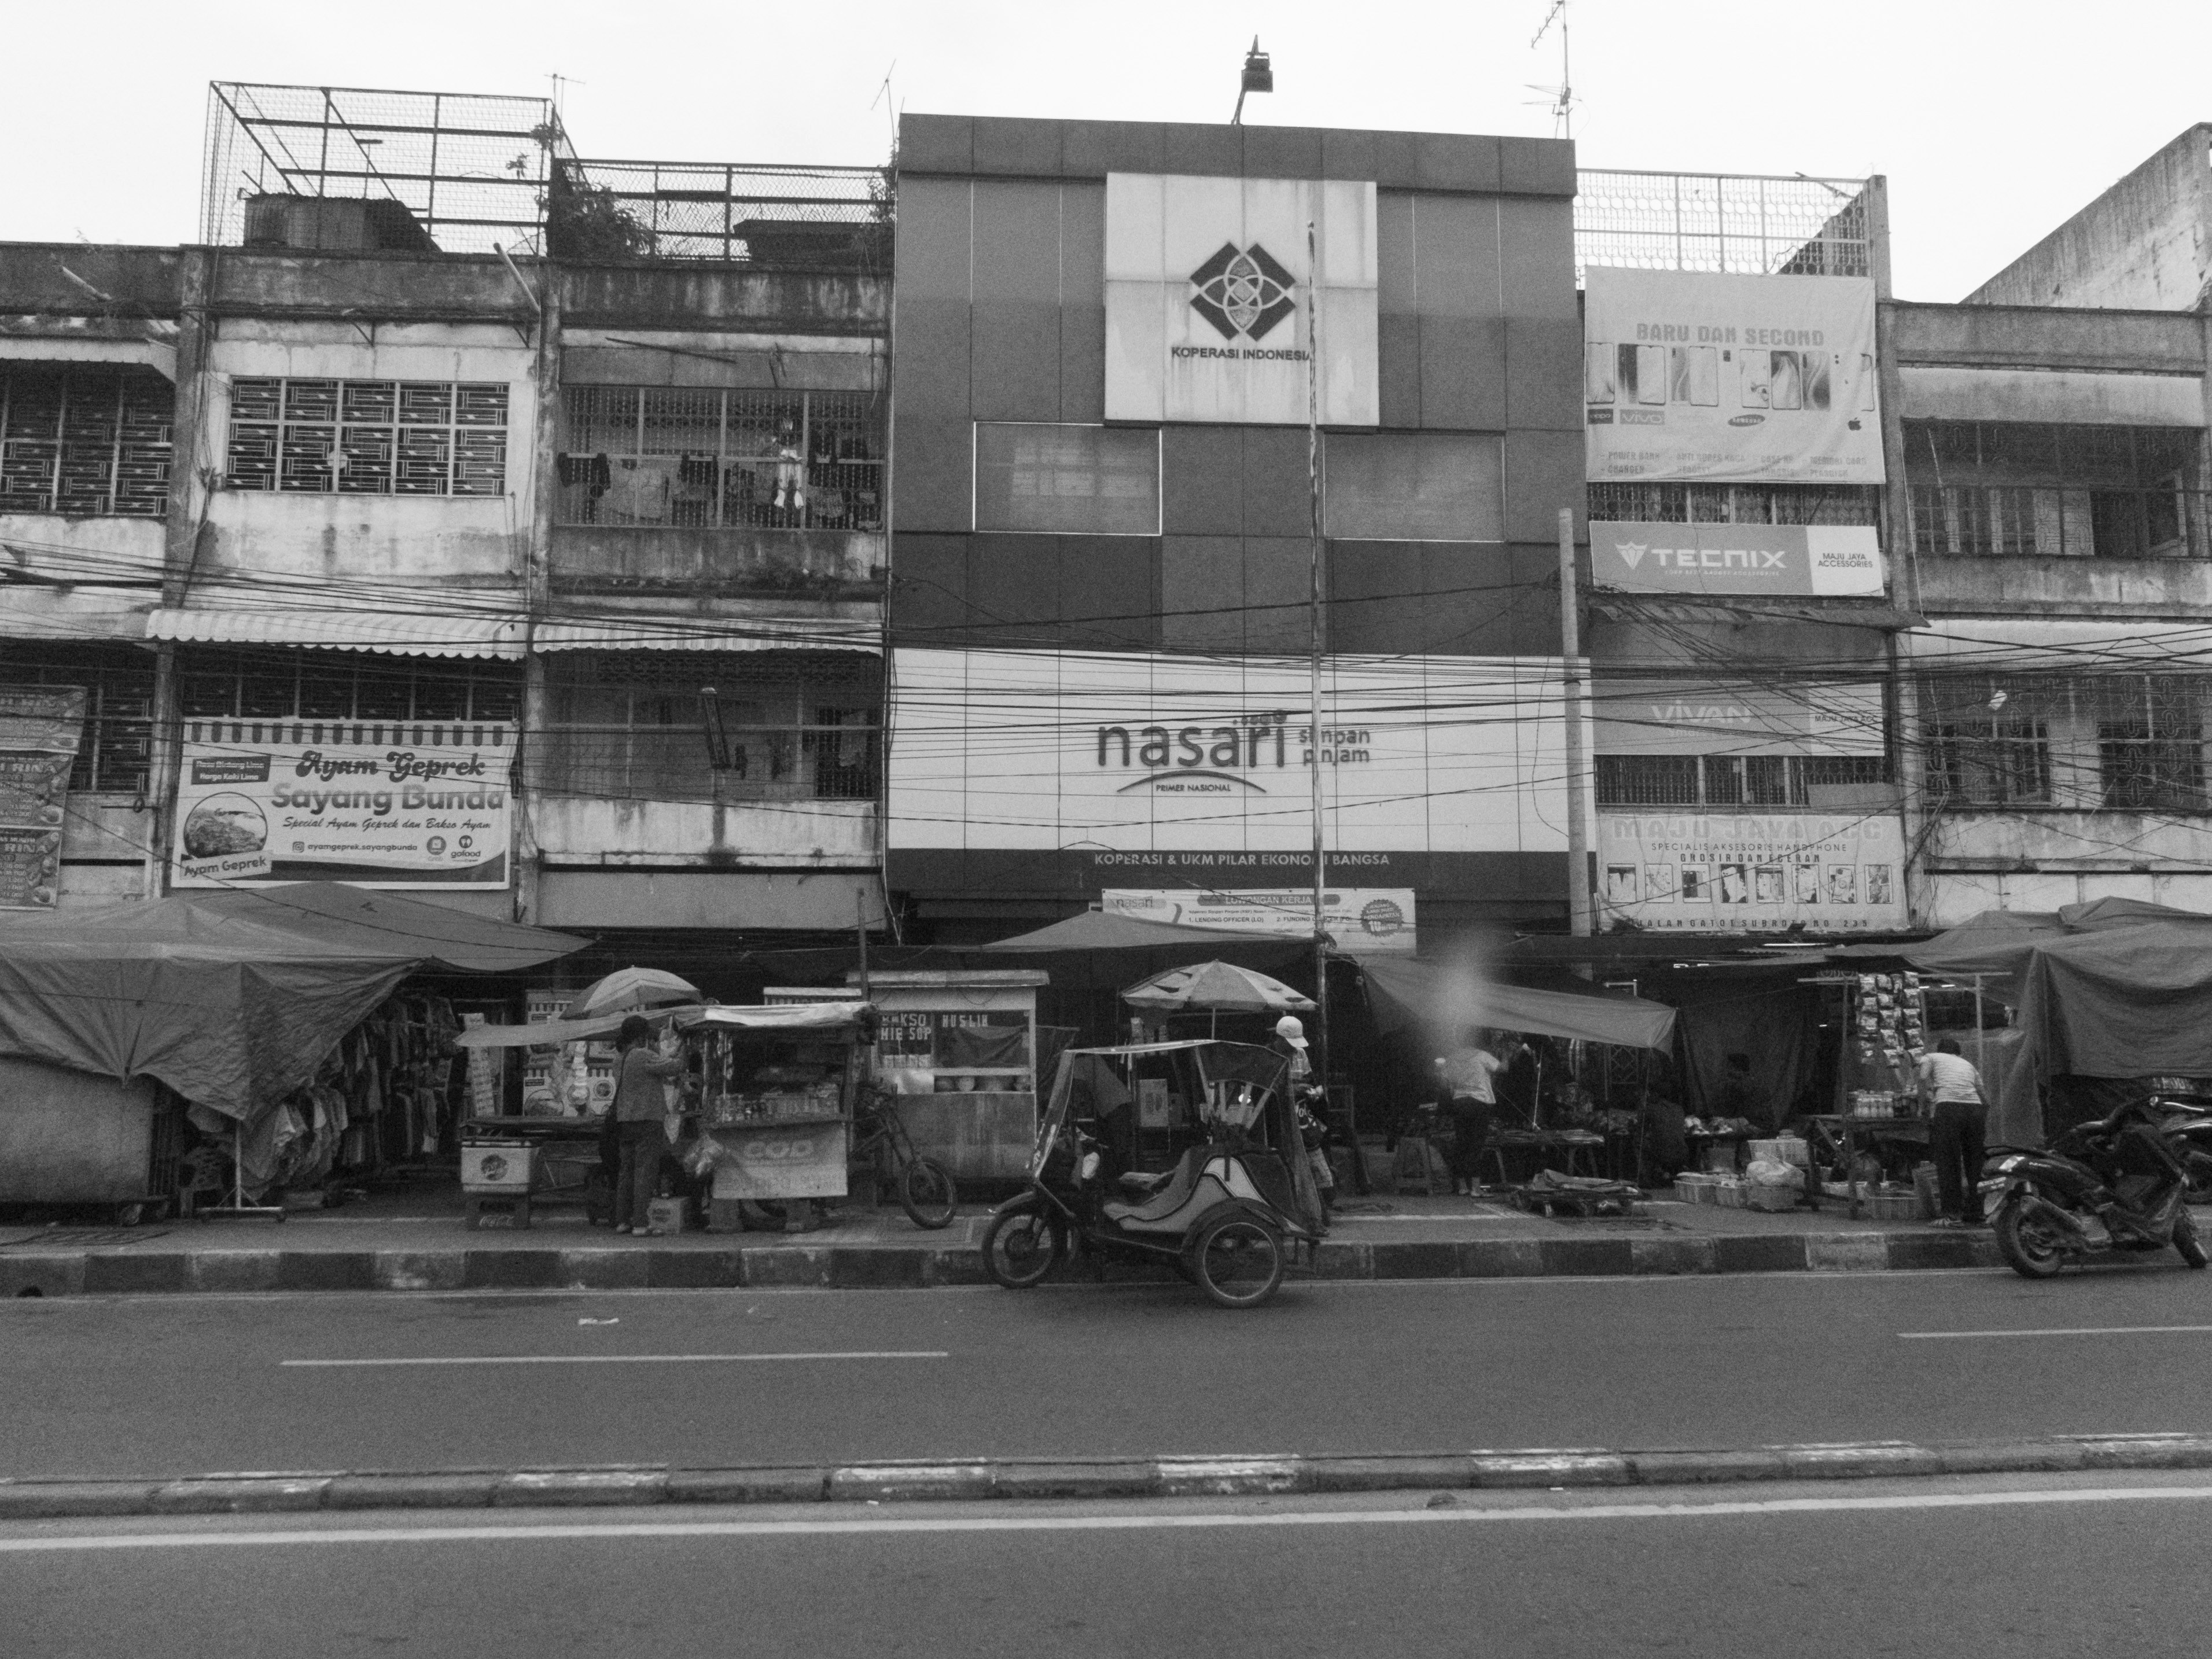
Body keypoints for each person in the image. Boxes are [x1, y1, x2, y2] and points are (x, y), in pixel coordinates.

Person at [611, 1014, 686, 1236]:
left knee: (626, 1171)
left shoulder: (618, 1058)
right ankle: (641, 1224)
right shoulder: (642, 1055)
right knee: (645, 1171)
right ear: (642, 1036)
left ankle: (623, 1221)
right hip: (647, 1119)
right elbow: (676, 1066)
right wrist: (684, 1045)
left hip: (625, 1120)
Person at [1919, 1036, 1987, 1228]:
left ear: (1939, 1050)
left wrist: (1922, 1108)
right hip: (1975, 1109)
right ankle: (1977, 1213)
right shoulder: (1968, 1065)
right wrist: (1981, 1116)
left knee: (1948, 1160)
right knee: (1975, 1162)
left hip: (1949, 1108)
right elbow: (1984, 1096)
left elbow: (1922, 1079)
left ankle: (1952, 1214)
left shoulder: (1930, 1057)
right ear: (1959, 1053)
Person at [1436, 1030, 1509, 1197]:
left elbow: (1444, 1082)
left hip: (1460, 1102)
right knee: (1476, 1144)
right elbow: (1504, 1068)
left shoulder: (1453, 1057)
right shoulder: (1482, 1055)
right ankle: (1476, 1188)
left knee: (1462, 1143)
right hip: (1479, 1101)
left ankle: (1462, 1187)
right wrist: (1505, 1052)